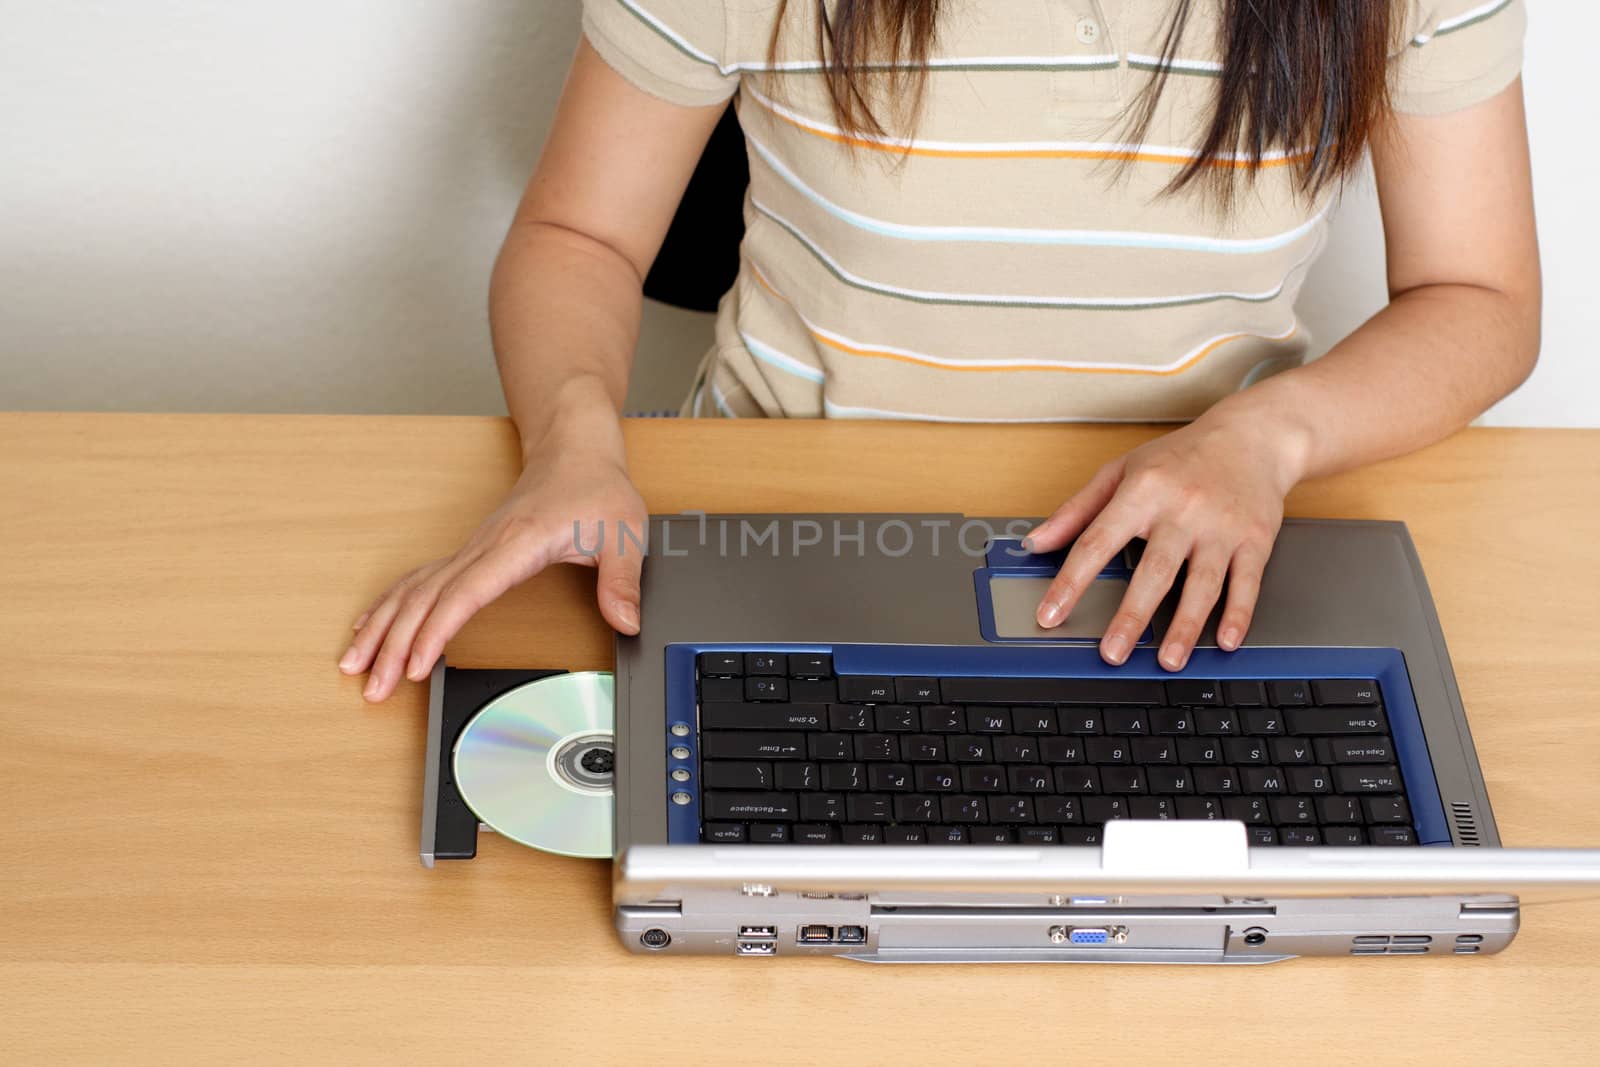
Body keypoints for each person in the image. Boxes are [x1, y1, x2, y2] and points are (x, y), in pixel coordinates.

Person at [340, 0, 1538, 702]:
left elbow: (1479, 295)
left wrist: (1264, 438)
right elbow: (578, 232)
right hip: (779, 537)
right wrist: (570, 444)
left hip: (1196, 564)